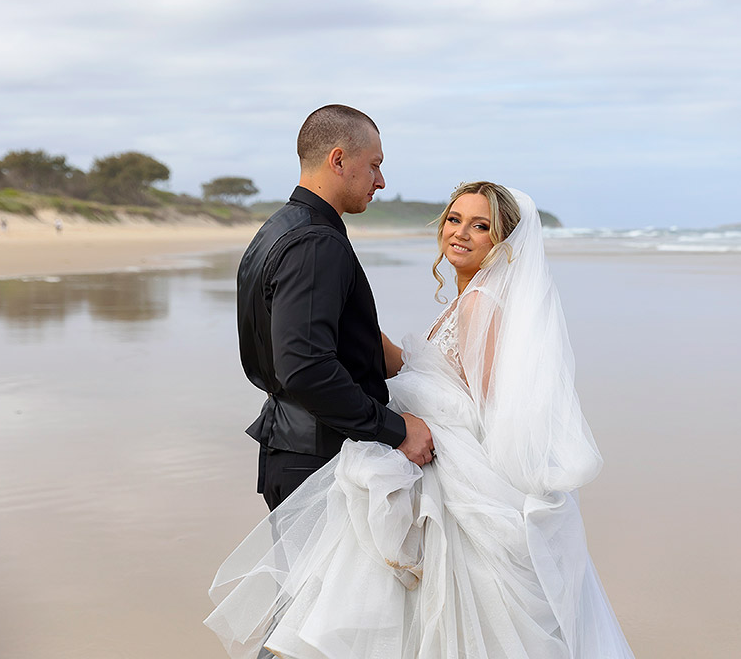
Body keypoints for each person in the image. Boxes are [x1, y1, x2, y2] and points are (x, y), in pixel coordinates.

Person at [207, 182, 635, 658]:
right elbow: (415, 363)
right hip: (422, 448)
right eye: (455, 220)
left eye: (481, 226)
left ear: (504, 243)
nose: (462, 234)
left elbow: (486, 405)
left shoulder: (480, 305)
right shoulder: (464, 300)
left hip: (450, 464)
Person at [236, 104, 434, 511]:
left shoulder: (277, 228)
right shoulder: (316, 242)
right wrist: (396, 430)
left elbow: (328, 339)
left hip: (294, 449)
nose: (380, 181)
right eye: (374, 165)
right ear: (339, 160)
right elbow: (305, 366)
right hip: (317, 463)